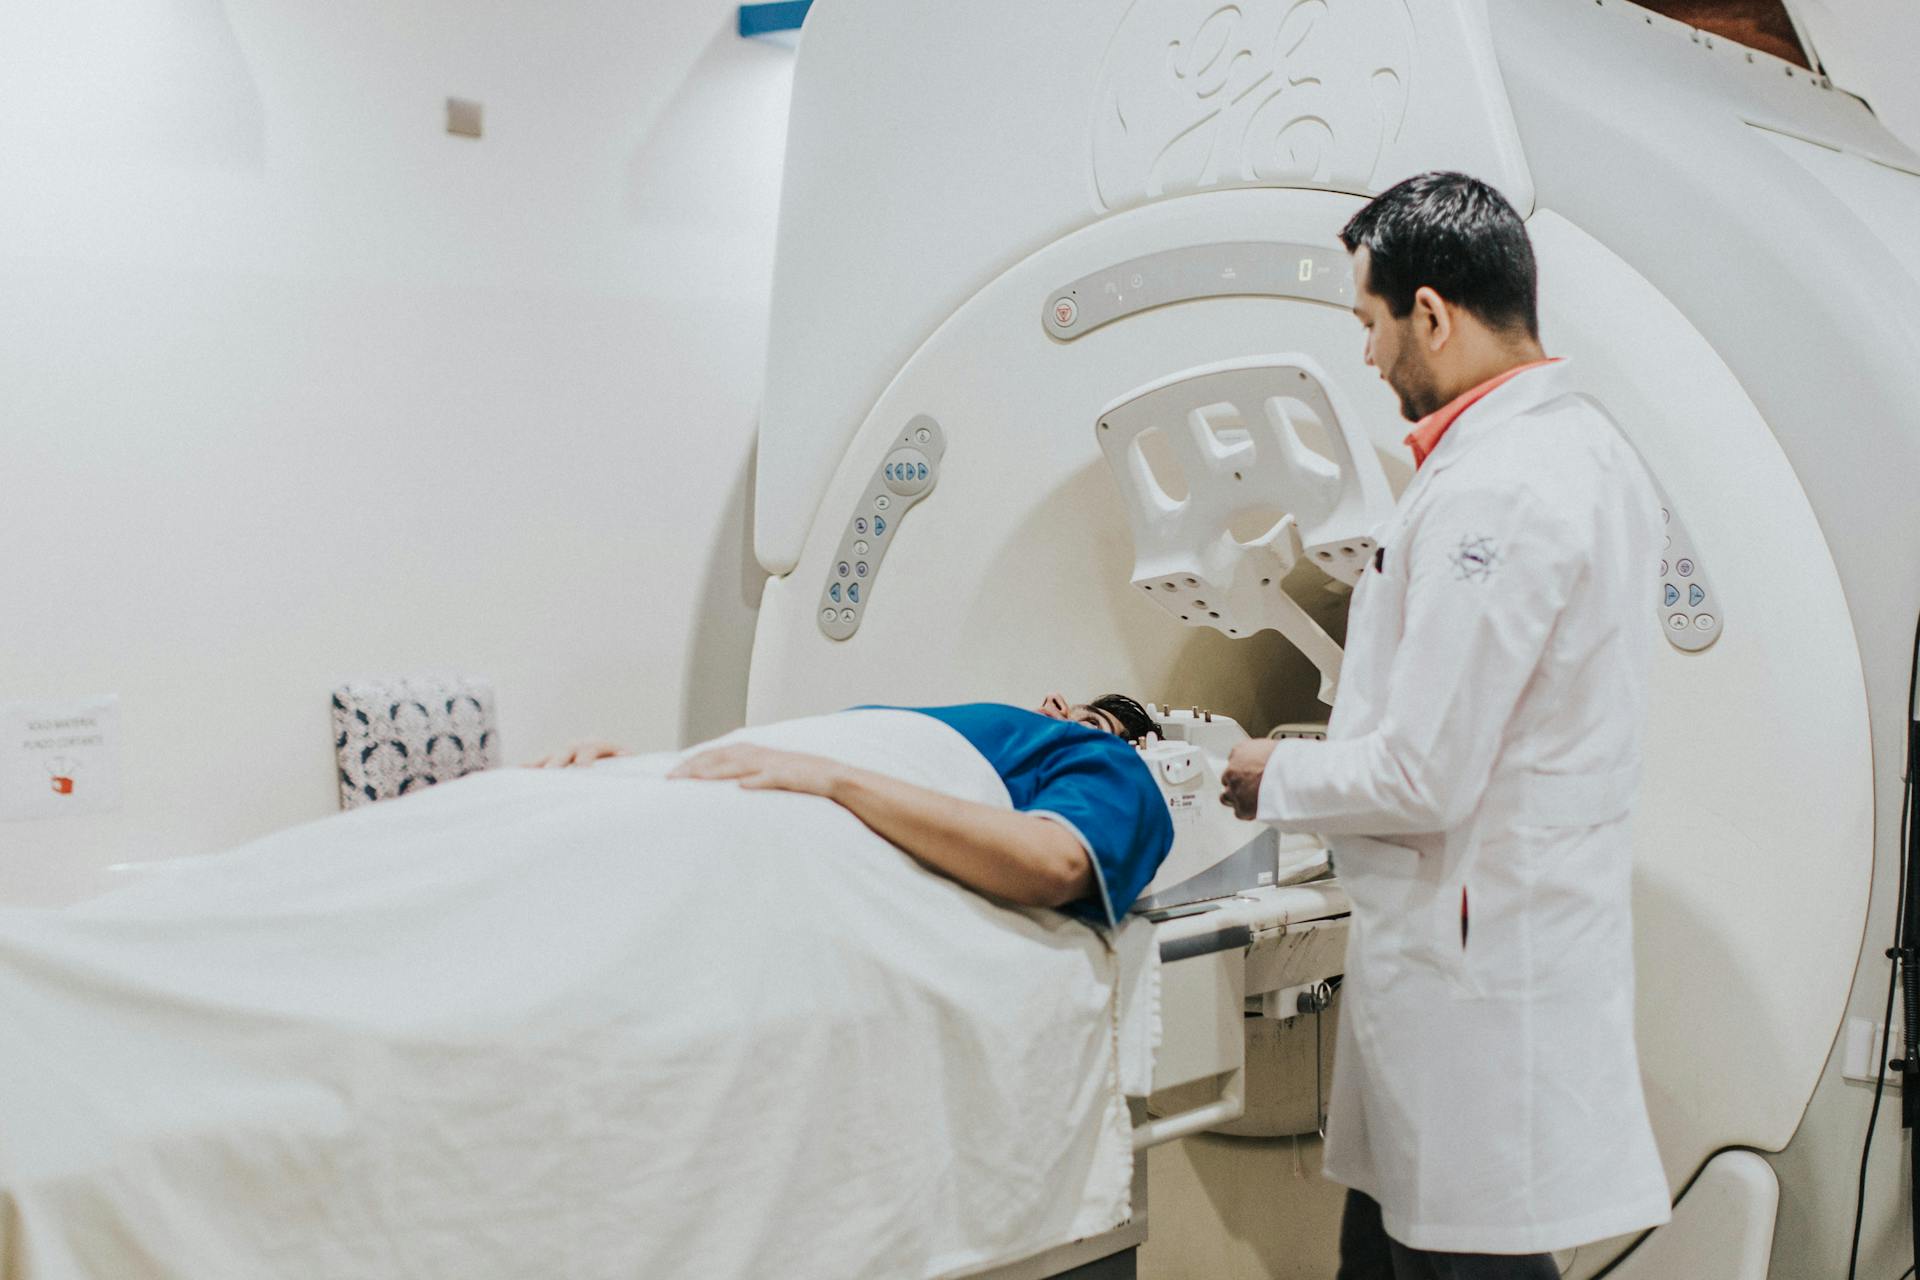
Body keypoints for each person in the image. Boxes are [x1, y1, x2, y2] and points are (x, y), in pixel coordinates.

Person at [1218, 172, 1670, 1277]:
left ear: (1432, 313)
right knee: (1387, 1249)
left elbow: (1426, 772)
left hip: (1477, 973)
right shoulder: (1579, 451)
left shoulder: (1500, 489)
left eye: (1370, 323)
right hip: (1472, 945)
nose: (1367, 356)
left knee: (1463, 1253)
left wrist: (1267, 772)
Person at [531, 693, 1172, 926]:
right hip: (676, 784)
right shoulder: (924, 726)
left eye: (1093, 723)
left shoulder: (1112, 763)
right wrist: (648, 768)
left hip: (778, 810)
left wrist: (834, 777)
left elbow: (1054, 861)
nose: (1063, 713)